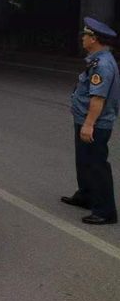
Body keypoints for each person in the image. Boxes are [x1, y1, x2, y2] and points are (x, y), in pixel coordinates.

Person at [61, 17, 119, 225]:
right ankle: (86, 195)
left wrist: (89, 124)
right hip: (85, 119)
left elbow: (98, 98)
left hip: (95, 123)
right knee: (84, 161)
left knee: (96, 165)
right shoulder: (97, 59)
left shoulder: (102, 64)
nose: (82, 39)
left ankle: (105, 211)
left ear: (94, 39)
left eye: (85, 35)